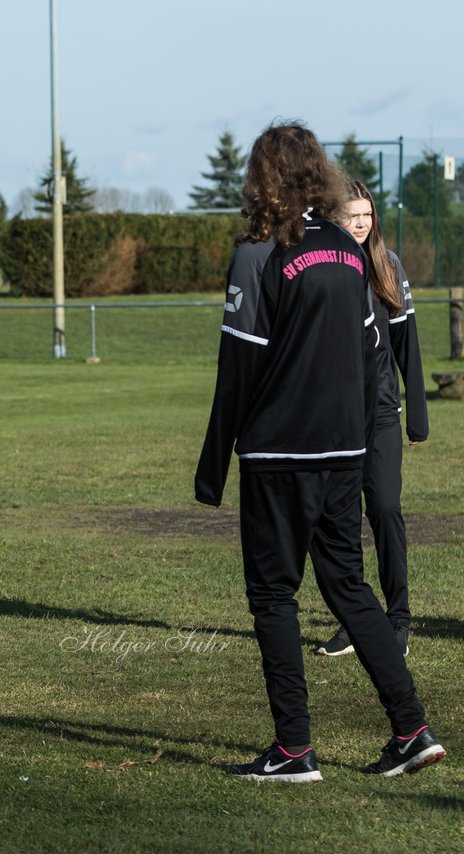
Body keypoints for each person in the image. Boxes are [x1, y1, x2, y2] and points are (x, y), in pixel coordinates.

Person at [194, 121, 443, 781]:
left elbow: (237, 371)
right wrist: (363, 441)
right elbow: (372, 359)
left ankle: (295, 748)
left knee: (273, 593)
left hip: (279, 456)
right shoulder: (346, 249)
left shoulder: (257, 252)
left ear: (263, 177)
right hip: (344, 451)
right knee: (350, 588)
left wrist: (211, 465)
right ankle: (412, 729)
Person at [314, 179, 428, 658]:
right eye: (349, 216)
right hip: (335, 419)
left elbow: (407, 343)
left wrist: (416, 414)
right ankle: (356, 621)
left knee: (383, 508)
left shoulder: (388, 264)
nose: (359, 224)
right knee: (339, 522)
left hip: (380, 414)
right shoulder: (320, 265)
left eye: (366, 215)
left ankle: (397, 620)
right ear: (332, 219)